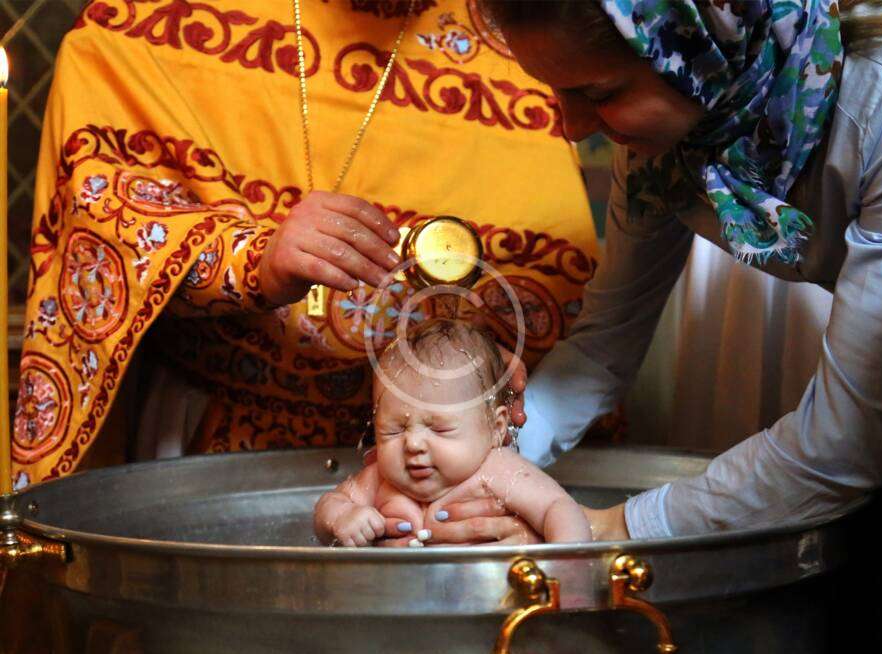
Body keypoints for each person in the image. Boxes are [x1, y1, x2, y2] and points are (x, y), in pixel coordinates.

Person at [9, 0, 597, 498]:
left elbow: (564, 275)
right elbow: (100, 210)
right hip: (210, 445)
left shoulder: (515, 34)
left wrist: (488, 356)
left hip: (443, 464)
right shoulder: (151, 20)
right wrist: (251, 259)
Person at [470, 0, 882, 540]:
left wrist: (604, 528)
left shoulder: (877, 110)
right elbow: (602, 351)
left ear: (705, 51)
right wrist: (477, 464)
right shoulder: (666, 149)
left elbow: (844, 447)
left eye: (599, 94)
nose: (573, 130)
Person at [314, 319, 591, 546]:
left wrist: (565, 568)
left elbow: (559, 508)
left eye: (440, 428)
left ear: (495, 429)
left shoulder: (498, 471)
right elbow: (328, 506)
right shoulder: (379, 477)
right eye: (393, 431)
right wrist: (342, 518)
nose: (413, 443)